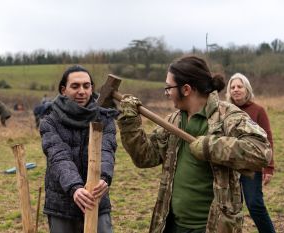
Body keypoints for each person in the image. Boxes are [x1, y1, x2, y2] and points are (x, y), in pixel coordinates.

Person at [117, 55, 272, 233]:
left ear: (186, 89)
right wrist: (129, 123)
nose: (167, 93)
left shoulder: (227, 116)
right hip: (171, 225)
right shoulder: (174, 121)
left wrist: (209, 147)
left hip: (211, 228)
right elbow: (145, 157)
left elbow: (261, 151)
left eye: (169, 88)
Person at [39, 65, 117, 233]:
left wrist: (104, 177)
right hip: (62, 201)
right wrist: (75, 188)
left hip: (96, 198)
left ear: (92, 88)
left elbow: (106, 150)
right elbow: (58, 156)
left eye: (86, 86)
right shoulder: (49, 121)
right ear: (63, 90)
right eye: (75, 86)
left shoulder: (104, 118)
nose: (82, 91)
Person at [226, 73, 276, 233]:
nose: (236, 90)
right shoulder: (225, 111)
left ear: (246, 89)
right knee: (231, 208)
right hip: (229, 166)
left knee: (255, 204)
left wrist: (269, 167)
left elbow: (268, 140)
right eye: (232, 87)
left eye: (239, 86)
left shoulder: (258, 110)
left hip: (251, 166)